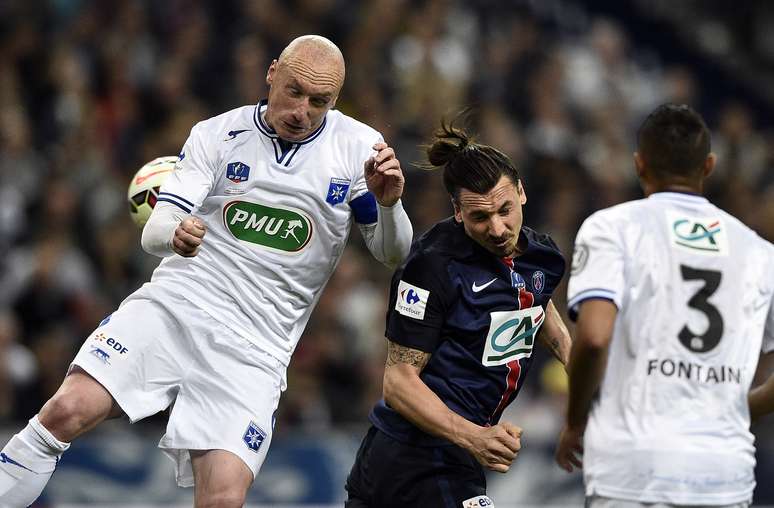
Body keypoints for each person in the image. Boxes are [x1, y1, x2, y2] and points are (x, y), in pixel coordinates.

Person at [0, 35, 413, 507]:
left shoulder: (358, 148)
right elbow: (155, 230)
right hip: (178, 306)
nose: (302, 111)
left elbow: (392, 253)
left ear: (335, 100)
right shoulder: (217, 133)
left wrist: (389, 205)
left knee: (222, 499)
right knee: (66, 410)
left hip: (256, 347)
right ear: (272, 72)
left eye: (319, 102)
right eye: (294, 91)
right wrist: (175, 235)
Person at [555, 104, 774, 507]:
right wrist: (734, 410)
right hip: (724, 476)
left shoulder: (612, 228)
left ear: (639, 165)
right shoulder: (761, 253)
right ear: (708, 166)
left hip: (633, 471)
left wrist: (575, 420)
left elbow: (595, 336)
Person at [345, 120, 572, 507]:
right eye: (480, 218)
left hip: (457, 452)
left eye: (505, 210)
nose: (498, 228)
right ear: (457, 212)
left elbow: (537, 301)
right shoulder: (432, 267)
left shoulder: (540, 256)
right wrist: (475, 437)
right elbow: (398, 383)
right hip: (412, 457)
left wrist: (574, 361)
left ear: (521, 192)